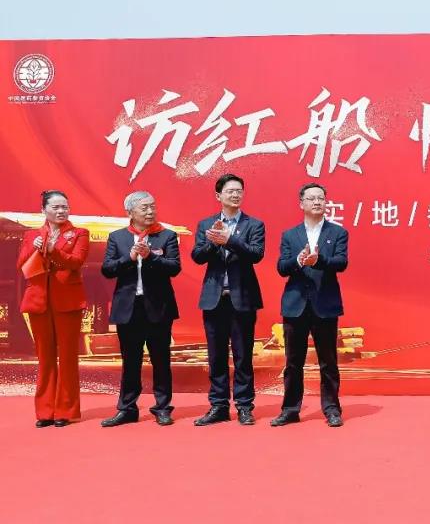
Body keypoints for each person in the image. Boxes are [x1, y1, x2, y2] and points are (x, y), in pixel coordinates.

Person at [100, 191, 181, 427]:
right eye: (144, 208)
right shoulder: (117, 237)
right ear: (130, 212)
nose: (150, 211)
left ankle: (162, 408)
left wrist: (150, 257)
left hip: (158, 307)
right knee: (130, 361)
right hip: (128, 308)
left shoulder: (166, 236)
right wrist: (130, 257)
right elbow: (107, 269)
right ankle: (127, 409)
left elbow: (174, 267)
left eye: (152, 206)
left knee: (161, 360)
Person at [271, 183, 349, 428]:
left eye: (321, 198)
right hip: (295, 305)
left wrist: (319, 260)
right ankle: (290, 410)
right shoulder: (290, 235)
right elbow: (281, 267)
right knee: (293, 362)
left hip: (325, 304)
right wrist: (298, 260)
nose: (317, 202)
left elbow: (341, 262)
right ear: (301, 203)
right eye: (311, 198)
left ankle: (332, 409)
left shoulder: (338, 232)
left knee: (328, 362)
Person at [191, 174, 265, 426]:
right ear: (218, 196)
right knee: (216, 356)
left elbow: (256, 254)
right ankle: (219, 405)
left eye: (239, 191)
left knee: (243, 355)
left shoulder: (254, 224)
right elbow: (197, 256)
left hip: (242, 298)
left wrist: (230, 240)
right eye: (230, 191)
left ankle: (244, 406)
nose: (235, 195)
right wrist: (214, 242)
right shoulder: (206, 224)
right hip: (214, 299)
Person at [16, 190, 89, 428]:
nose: (61, 211)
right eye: (55, 207)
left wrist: (53, 249)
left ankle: (65, 411)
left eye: (64, 207)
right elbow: (21, 265)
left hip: (68, 301)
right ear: (44, 210)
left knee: (67, 357)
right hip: (39, 301)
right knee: (45, 358)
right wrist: (35, 248)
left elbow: (76, 262)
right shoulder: (31, 235)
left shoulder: (79, 233)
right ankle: (45, 411)